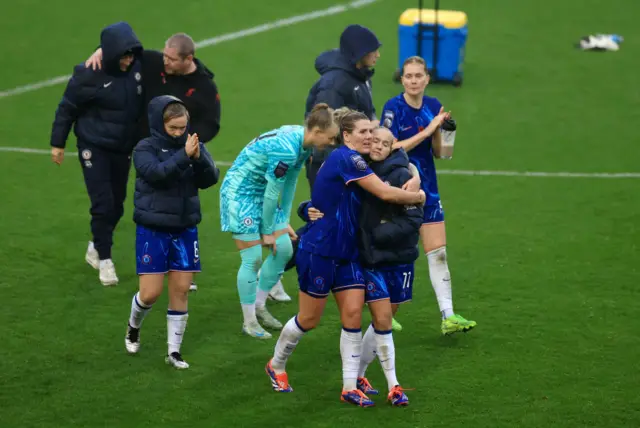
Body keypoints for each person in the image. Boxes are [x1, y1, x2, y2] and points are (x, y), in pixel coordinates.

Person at [265, 111, 425, 407]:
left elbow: (396, 156)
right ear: (346, 135)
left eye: (371, 132)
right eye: (363, 132)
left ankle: (349, 386)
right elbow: (384, 193)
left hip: (348, 253)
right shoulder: (346, 159)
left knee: (352, 315)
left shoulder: (358, 161)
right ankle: (275, 365)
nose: (369, 137)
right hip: (321, 250)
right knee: (309, 318)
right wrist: (419, 197)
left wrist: (414, 174)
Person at [86, 31, 222, 291]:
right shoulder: (153, 62)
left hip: (181, 152)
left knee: (176, 206)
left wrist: (186, 142)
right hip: (141, 149)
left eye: (171, 59)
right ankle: (99, 246)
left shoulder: (205, 86)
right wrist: (101, 51)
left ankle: (178, 268)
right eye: (165, 56)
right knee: (114, 201)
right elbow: (123, 46)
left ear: (188, 59)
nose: (165, 62)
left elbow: (211, 123)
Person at [219, 104, 339, 340]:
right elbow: (272, 193)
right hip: (241, 194)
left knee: (284, 250)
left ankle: (259, 305)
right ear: (316, 130)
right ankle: (249, 321)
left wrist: (281, 221)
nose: (333, 143)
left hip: (262, 193)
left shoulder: (303, 144)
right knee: (252, 259)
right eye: (331, 137)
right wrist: (268, 231)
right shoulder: (286, 149)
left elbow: (291, 182)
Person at [381, 56, 477, 335]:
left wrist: (445, 134)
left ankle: (448, 315)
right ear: (402, 80)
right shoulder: (393, 108)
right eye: (408, 76)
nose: (413, 81)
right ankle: (385, 313)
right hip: (399, 188)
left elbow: (442, 154)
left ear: (426, 79)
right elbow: (391, 148)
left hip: (428, 190)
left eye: (418, 76)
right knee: (398, 255)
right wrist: (429, 129)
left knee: (438, 254)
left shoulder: (433, 107)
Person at [124, 95, 219, 369]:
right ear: (159, 123)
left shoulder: (193, 145)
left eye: (182, 127)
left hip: (185, 227)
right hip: (153, 229)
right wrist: (185, 155)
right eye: (173, 128)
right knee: (150, 294)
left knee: (181, 290)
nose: (179, 133)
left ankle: (173, 352)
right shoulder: (145, 148)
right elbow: (157, 174)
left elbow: (210, 178)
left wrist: (199, 159)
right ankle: (133, 326)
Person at [50, 21, 144, 286]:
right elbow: (66, 108)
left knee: (117, 205)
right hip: (95, 147)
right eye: (123, 55)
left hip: (123, 147)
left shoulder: (137, 66)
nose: (128, 60)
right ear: (112, 54)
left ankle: (95, 245)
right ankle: (105, 259)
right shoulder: (88, 74)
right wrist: (58, 143)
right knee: (102, 204)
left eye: (130, 54)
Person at [355, 126, 423, 405]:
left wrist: (377, 233)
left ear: (393, 146)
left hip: (401, 258)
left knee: (383, 319)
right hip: (374, 259)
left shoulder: (403, 175)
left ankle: (359, 374)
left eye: (385, 143)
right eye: (375, 141)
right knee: (383, 320)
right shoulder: (360, 169)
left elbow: (412, 220)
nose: (378, 146)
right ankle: (393, 385)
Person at [304, 24, 381, 191]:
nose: (378, 55)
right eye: (373, 51)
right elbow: (324, 126)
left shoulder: (362, 76)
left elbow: (368, 110)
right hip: (328, 161)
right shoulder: (333, 84)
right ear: (359, 52)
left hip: (351, 156)